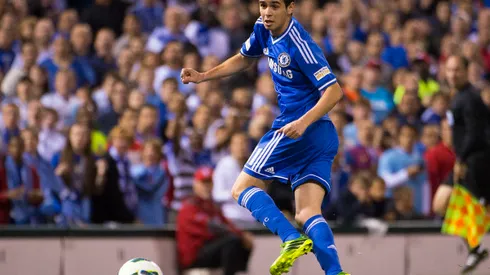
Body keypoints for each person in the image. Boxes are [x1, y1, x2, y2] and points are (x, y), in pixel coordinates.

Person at [180, 0, 348, 274]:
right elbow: (245, 58)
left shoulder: (299, 43)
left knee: (241, 188)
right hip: (321, 134)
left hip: (299, 126)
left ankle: (290, 238)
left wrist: (302, 123)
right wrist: (203, 76)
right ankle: (335, 272)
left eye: (275, 6)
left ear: (290, 7)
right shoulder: (262, 28)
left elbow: (334, 92)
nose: (267, 12)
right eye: (263, 5)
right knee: (307, 213)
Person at [443, 55, 490, 273]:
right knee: (442, 204)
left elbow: (475, 134)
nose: (453, 75)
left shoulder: (469, 98)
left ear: (465, 71)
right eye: (449, 70)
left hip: (473, 160)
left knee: (469, 207)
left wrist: (461, 159)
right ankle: (475, 248)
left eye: (457, 70)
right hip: (465, 158)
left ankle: (475, 248)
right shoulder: (460, 97)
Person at [177, 166, 253, 275]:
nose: (207, 187)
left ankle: (240, 272)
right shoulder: (189, 207)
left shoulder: (212, 206)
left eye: (209, 183)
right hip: (193, 258)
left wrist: (243, 235)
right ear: (195, 184)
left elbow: (227, 224)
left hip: (210, 252)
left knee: (242, 242)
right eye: (203, 183)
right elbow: (212, 227)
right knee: (232, 240)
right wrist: (239, 235)